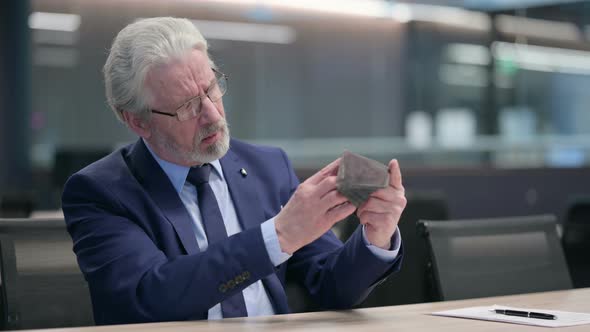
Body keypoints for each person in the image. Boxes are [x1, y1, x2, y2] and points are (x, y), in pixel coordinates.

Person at [62, 17, 406, 325]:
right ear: (137, 120)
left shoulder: (267, 167)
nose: (212, 114)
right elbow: (147, 297)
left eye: (211, 89)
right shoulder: (100, 192)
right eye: (187, 107)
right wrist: (279, 235)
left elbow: (329, 286)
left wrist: (376, 236)